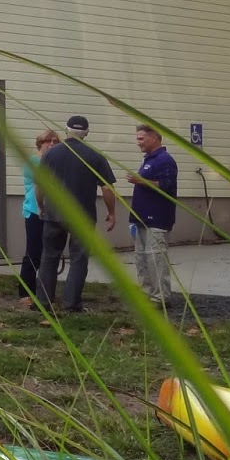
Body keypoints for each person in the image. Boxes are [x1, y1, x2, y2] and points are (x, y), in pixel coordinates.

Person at [35, 115, 117, 315]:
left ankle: (44, 302)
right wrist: (111, 212)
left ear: (66, 130)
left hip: (54, 214)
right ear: (87, 132)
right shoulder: (95, 156)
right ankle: (71, 304)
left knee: (49, 256)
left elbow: (40, 185)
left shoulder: (51, 154)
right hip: (83, 216)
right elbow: (107, 188)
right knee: (79, 259)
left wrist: (41, 205)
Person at [125, 123, 179, 304]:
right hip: (141, 218)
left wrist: (140, 181)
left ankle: (160, 298)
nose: (138, 143)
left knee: (156, 258)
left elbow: (166, 186)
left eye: (141, 138)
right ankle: (146, 294)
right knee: (141, 258)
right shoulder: (149, 159)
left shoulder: (164, 160)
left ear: (154, 138)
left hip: (157, 219)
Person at [15, 130, 62, 307]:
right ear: (40, 144)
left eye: (55, 141)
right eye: (47, 141)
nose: (51, 144)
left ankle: (44, 292)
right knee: (34, 253)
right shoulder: (33, 162)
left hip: (52, 212)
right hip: (35, 211)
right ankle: (25, 292)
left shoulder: (53, 161)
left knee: (48, 255)